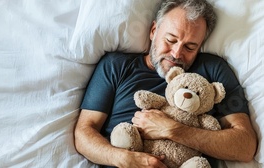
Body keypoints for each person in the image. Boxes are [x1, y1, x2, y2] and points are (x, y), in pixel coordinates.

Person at [73, 0, 258, 167]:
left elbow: (245, 145)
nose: (177, 54)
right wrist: (126, 159)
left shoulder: (213, 69)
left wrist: (173, 130)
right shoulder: (116, 66)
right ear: (154, 31)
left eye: (190, 47)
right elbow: (83, 133)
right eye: (170, 40)